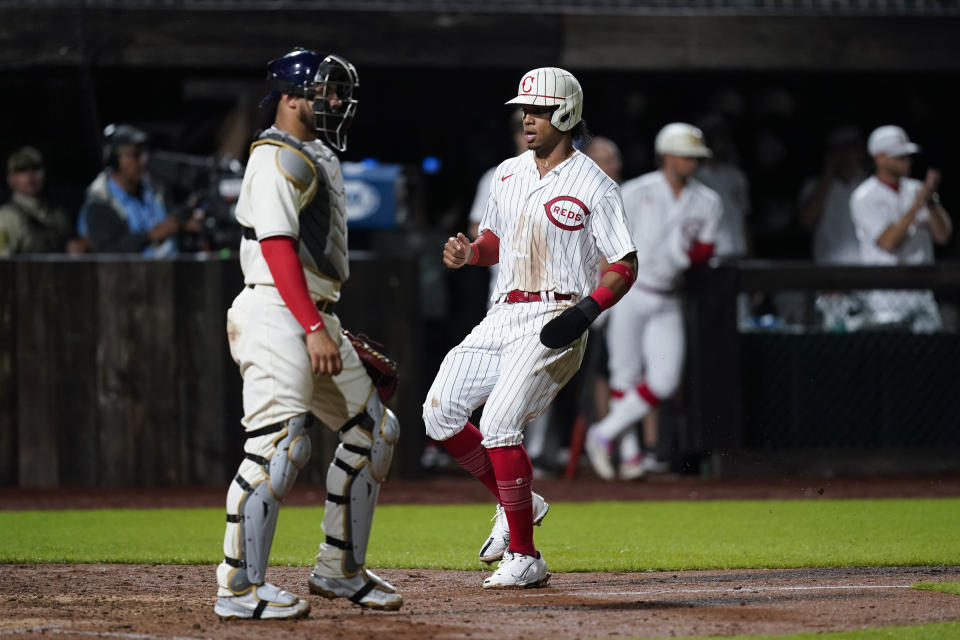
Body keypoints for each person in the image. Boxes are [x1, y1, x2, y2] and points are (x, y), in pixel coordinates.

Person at [422, 67, 637, 589]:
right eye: (525, 110)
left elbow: (624, 263)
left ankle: (525, 556)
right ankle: (518, 499)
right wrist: (471, 253)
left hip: (556, 315)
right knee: (439, 414)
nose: (527, 119)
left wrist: (587, 310)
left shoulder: (594, 184)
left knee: (498, 424)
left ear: (565, 113)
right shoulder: (508, 172)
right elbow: (495, 240)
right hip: (502, 312)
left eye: (538, 110)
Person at [214, 48, 402, 620]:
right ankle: (238, 587)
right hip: (278, 311)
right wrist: (314, 326)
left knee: (374, 431)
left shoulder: (311, 151)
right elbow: (275, 248)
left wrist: (322, 322)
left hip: (309, 312)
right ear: (291, 98)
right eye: (325, 92)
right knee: (279, 444)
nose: (336, 102)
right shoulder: (274, 156)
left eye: (338, 92)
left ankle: (338, 570)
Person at [585, 123, 721, 481]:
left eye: (696, 157)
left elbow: (706, 250)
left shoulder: (708, 200)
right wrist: (600, 294)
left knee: (663, 380)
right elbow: (606, 242)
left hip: (668, 296)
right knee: (624, 375)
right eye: (686, 155)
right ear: (668, 155)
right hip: (629, 292)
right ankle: (630, 457)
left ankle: (604, 432)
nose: (693, 162)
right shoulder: (636, 190)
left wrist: (687, 255)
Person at [850, 125, 952, 331]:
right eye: (899, 156)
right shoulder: (864, 196)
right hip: (886, 301)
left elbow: (943, 236)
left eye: (907, 155)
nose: (906, 160)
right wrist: (917, 204)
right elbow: (888, 242)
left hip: (922, 296)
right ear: (879, 158)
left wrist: (930, 202)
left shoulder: (916, 189)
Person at [78, 124, 182, 256]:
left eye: (143, 154)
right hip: (127, 275)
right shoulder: (100, 201)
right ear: (114, 159)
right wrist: (150, 236)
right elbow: (109, 252)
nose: (142, 161)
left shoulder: (154, 188)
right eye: (135, 155)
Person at [799, 125, 869, 265]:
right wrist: (828, 174)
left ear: (860, 152)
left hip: (866, 267)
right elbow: (807, 220)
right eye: (838, 150)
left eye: (850, 148)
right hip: (829, 269)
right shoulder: (814, 186)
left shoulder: (869, 185)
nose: (845, 155)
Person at [0, 146, 82, 256]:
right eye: (22, 169)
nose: (30, 175)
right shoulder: (6, 218)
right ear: (11, 179)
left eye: (36, 168)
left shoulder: (57, 214)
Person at [694, 114, 751, 258]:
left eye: (724, 136)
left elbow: (744, 217)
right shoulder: (694, 177)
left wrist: (749, 250)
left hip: (738, 251)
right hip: (712, 254)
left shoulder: (736, 176)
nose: (721, 142)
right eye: (716, 136)